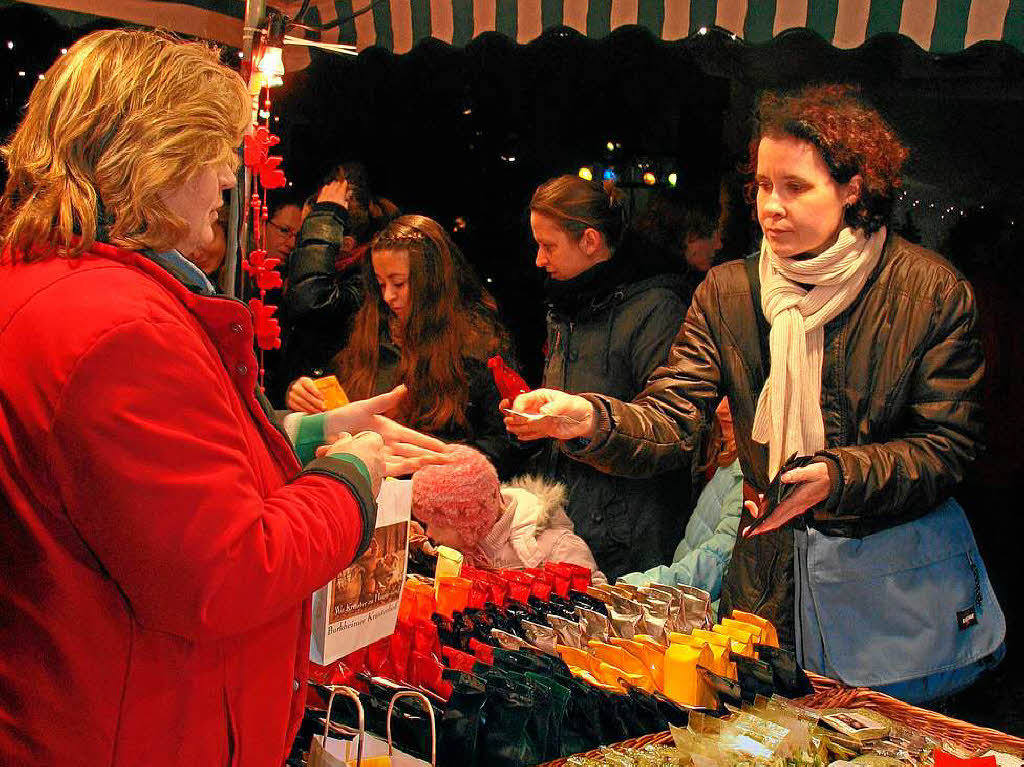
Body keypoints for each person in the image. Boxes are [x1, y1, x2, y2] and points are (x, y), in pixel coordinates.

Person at [0, 30, 445, 766]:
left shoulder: (46, 283)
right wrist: (353, 476)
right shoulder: (119, 326)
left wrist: (306, 433)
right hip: (135, 725)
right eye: (213, 157)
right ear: (157, 163)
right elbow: (226, 570)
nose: (228, 184)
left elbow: (140, 482)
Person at [506, 86, 990, 684]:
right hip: (763, 586)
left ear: (853, 189)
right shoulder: (729, 291)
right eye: (762, 185)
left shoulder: (929, 292)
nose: (771, 207)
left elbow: (946, 447)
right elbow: (672, 416)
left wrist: (840, 476)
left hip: (885, 588)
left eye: (795, 186)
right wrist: (589, 418)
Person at [517, 175, 689, 580]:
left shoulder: (657, 310)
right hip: (571, 518)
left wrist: (584, 423)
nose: (539, 260)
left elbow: (672, 435)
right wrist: (532, 425)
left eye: (548, 245)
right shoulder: (564, 308)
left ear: (590, 241)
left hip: (632, 539)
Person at [288, 214, 527, 478]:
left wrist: (426, 458)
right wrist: (303, 396)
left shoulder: (478, 343)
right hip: (368, 495)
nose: (388, 296)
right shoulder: (369, 328)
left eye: (399, 283)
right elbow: (340, 409)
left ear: (432, 282)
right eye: (381, 284)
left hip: (443, 500)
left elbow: (504, 447)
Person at [273, 162, 400, 406]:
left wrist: (325, 215)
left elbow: (311, 303)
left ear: (346, 245)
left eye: (306, 233)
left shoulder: (367, 280)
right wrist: (292, 389)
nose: (297, 244)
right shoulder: (312, 270)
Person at [411, 444, 605, 580]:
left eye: (438, 523)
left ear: (470, 518)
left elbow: (597, 612)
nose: (429, 534)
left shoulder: (557, 549)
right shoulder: (464, 547)